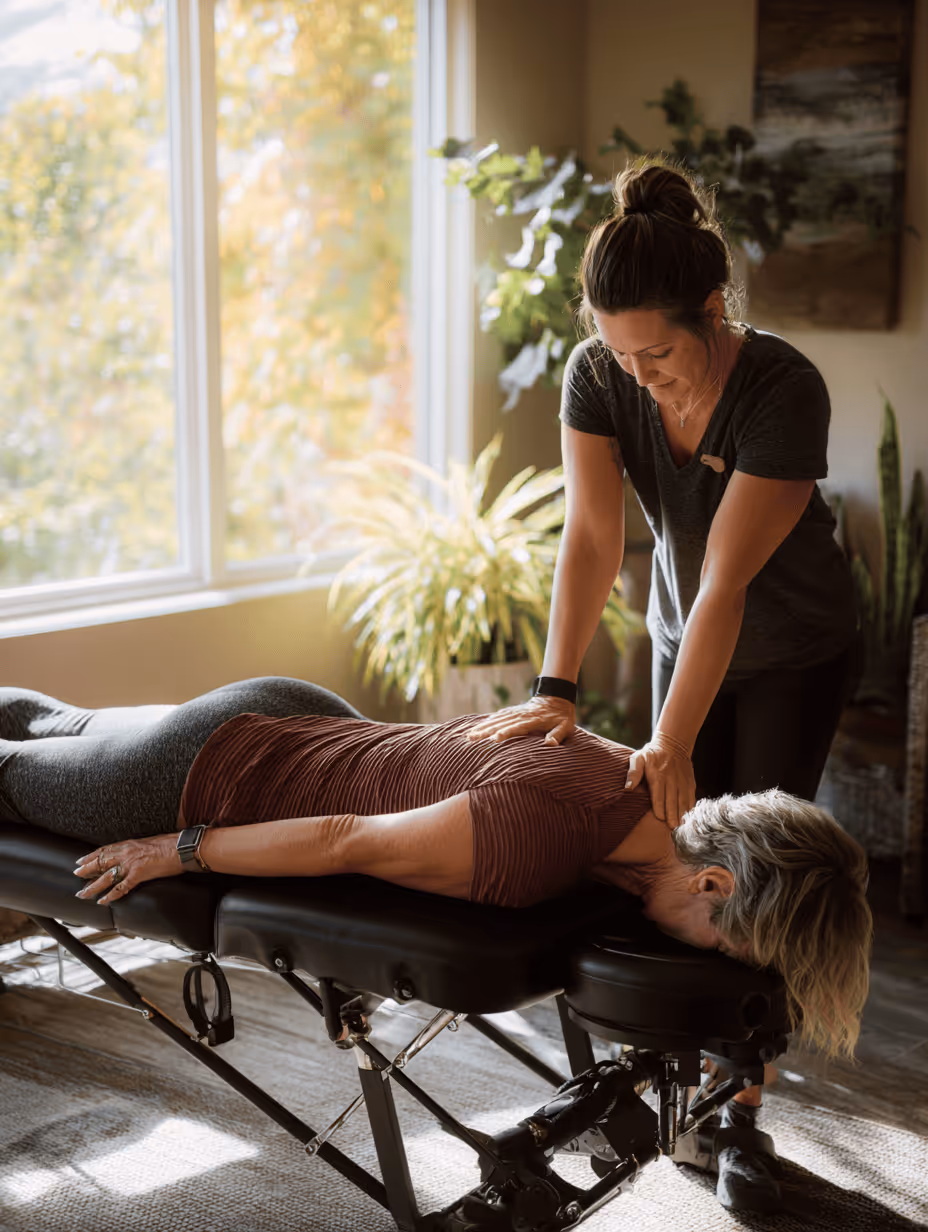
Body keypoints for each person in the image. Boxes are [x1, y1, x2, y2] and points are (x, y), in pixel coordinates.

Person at [466, 159, 860, 1210]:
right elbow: (595, 537)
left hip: (793, 650)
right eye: (616, 350)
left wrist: (671, 740)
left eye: (658, 351)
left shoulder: (781, 389)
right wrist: (557, 686)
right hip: (690, 643)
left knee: (750, 890)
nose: (638, 373)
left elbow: (728, 579)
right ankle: (644, 1087)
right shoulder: (600, 375)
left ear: (713, 311)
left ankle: (738, 1122)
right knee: (661, 863)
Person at [0, 678, 870, 1073]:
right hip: (201, 775)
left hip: (300, 718)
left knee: (40, 718)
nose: (709, 956)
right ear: (713, 882)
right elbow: (349, 839)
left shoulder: (639, 788)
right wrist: (179, 849)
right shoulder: (535, 844)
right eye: (728, 944)